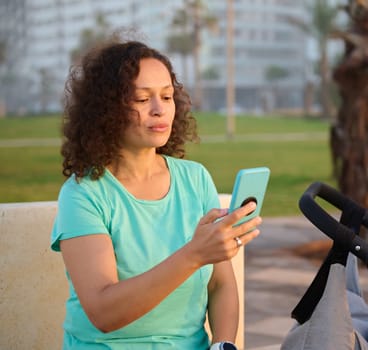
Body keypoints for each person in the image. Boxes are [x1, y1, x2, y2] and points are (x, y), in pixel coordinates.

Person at [50, 39, 261, 349]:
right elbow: (103, 312)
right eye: (141, 99)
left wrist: (223, 344)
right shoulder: (83, 194)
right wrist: (194, 255)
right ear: (107, 109)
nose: (159, 109)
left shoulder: (195, 179)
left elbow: (220, 283)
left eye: (166, 96)